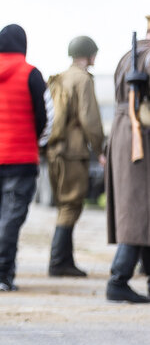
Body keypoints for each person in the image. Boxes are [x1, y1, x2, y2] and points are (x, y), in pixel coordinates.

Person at [0, 24, 46, 292]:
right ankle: (1, 274)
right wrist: (30, 139)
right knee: (11, 219)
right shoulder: (31, 74)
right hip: (21, 157)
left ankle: (4, 271)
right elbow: (42, 118)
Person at [45, 36, 105, 277]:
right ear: (88, 54)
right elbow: (90, 119)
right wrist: (100, 149)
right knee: (71, 205)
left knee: (64, 205)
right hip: (73, 151)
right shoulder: (83, 80)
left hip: (54, 150)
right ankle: (59, 262)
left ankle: (65, 260)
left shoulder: (60, 78)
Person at [104, 25, 150, 303]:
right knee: (137, 209)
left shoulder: (129, 55)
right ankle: (119, 278)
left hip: (127, 132)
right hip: (140, 135)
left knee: (141, 208)